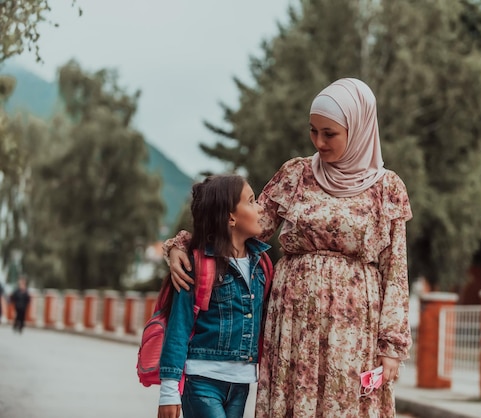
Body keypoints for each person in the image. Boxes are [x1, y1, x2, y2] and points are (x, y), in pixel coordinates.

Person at [165, 78, 413, 417]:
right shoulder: (296, 174)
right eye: (314, 131)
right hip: (293, 324)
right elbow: (242, 228)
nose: (319, 142)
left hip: (354, 328)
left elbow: (395, 272)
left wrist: (392, 347)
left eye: (330, 133)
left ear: (359, 130)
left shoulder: (388, 188)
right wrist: (181, 245)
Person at [158, 174, 271, 418]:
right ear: (231, 217)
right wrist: (169, 390)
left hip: (241, 383)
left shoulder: (261, 265)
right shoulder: (198, 265)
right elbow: (178, 328)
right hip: (202, 380)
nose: (260, 207)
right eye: (251, 201)